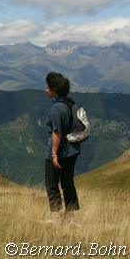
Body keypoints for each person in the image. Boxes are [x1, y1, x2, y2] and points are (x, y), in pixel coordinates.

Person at [43, 72, 81, 224]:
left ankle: (56, 216)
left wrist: (53, 154)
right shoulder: (69, 102)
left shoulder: (56, 108)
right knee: (68, 183)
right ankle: (70, 217)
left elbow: (56, 132)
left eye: (47, 87)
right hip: (73, 150)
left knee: (51, 183)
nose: (45, 89)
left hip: (60, 151)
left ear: (54, 90)